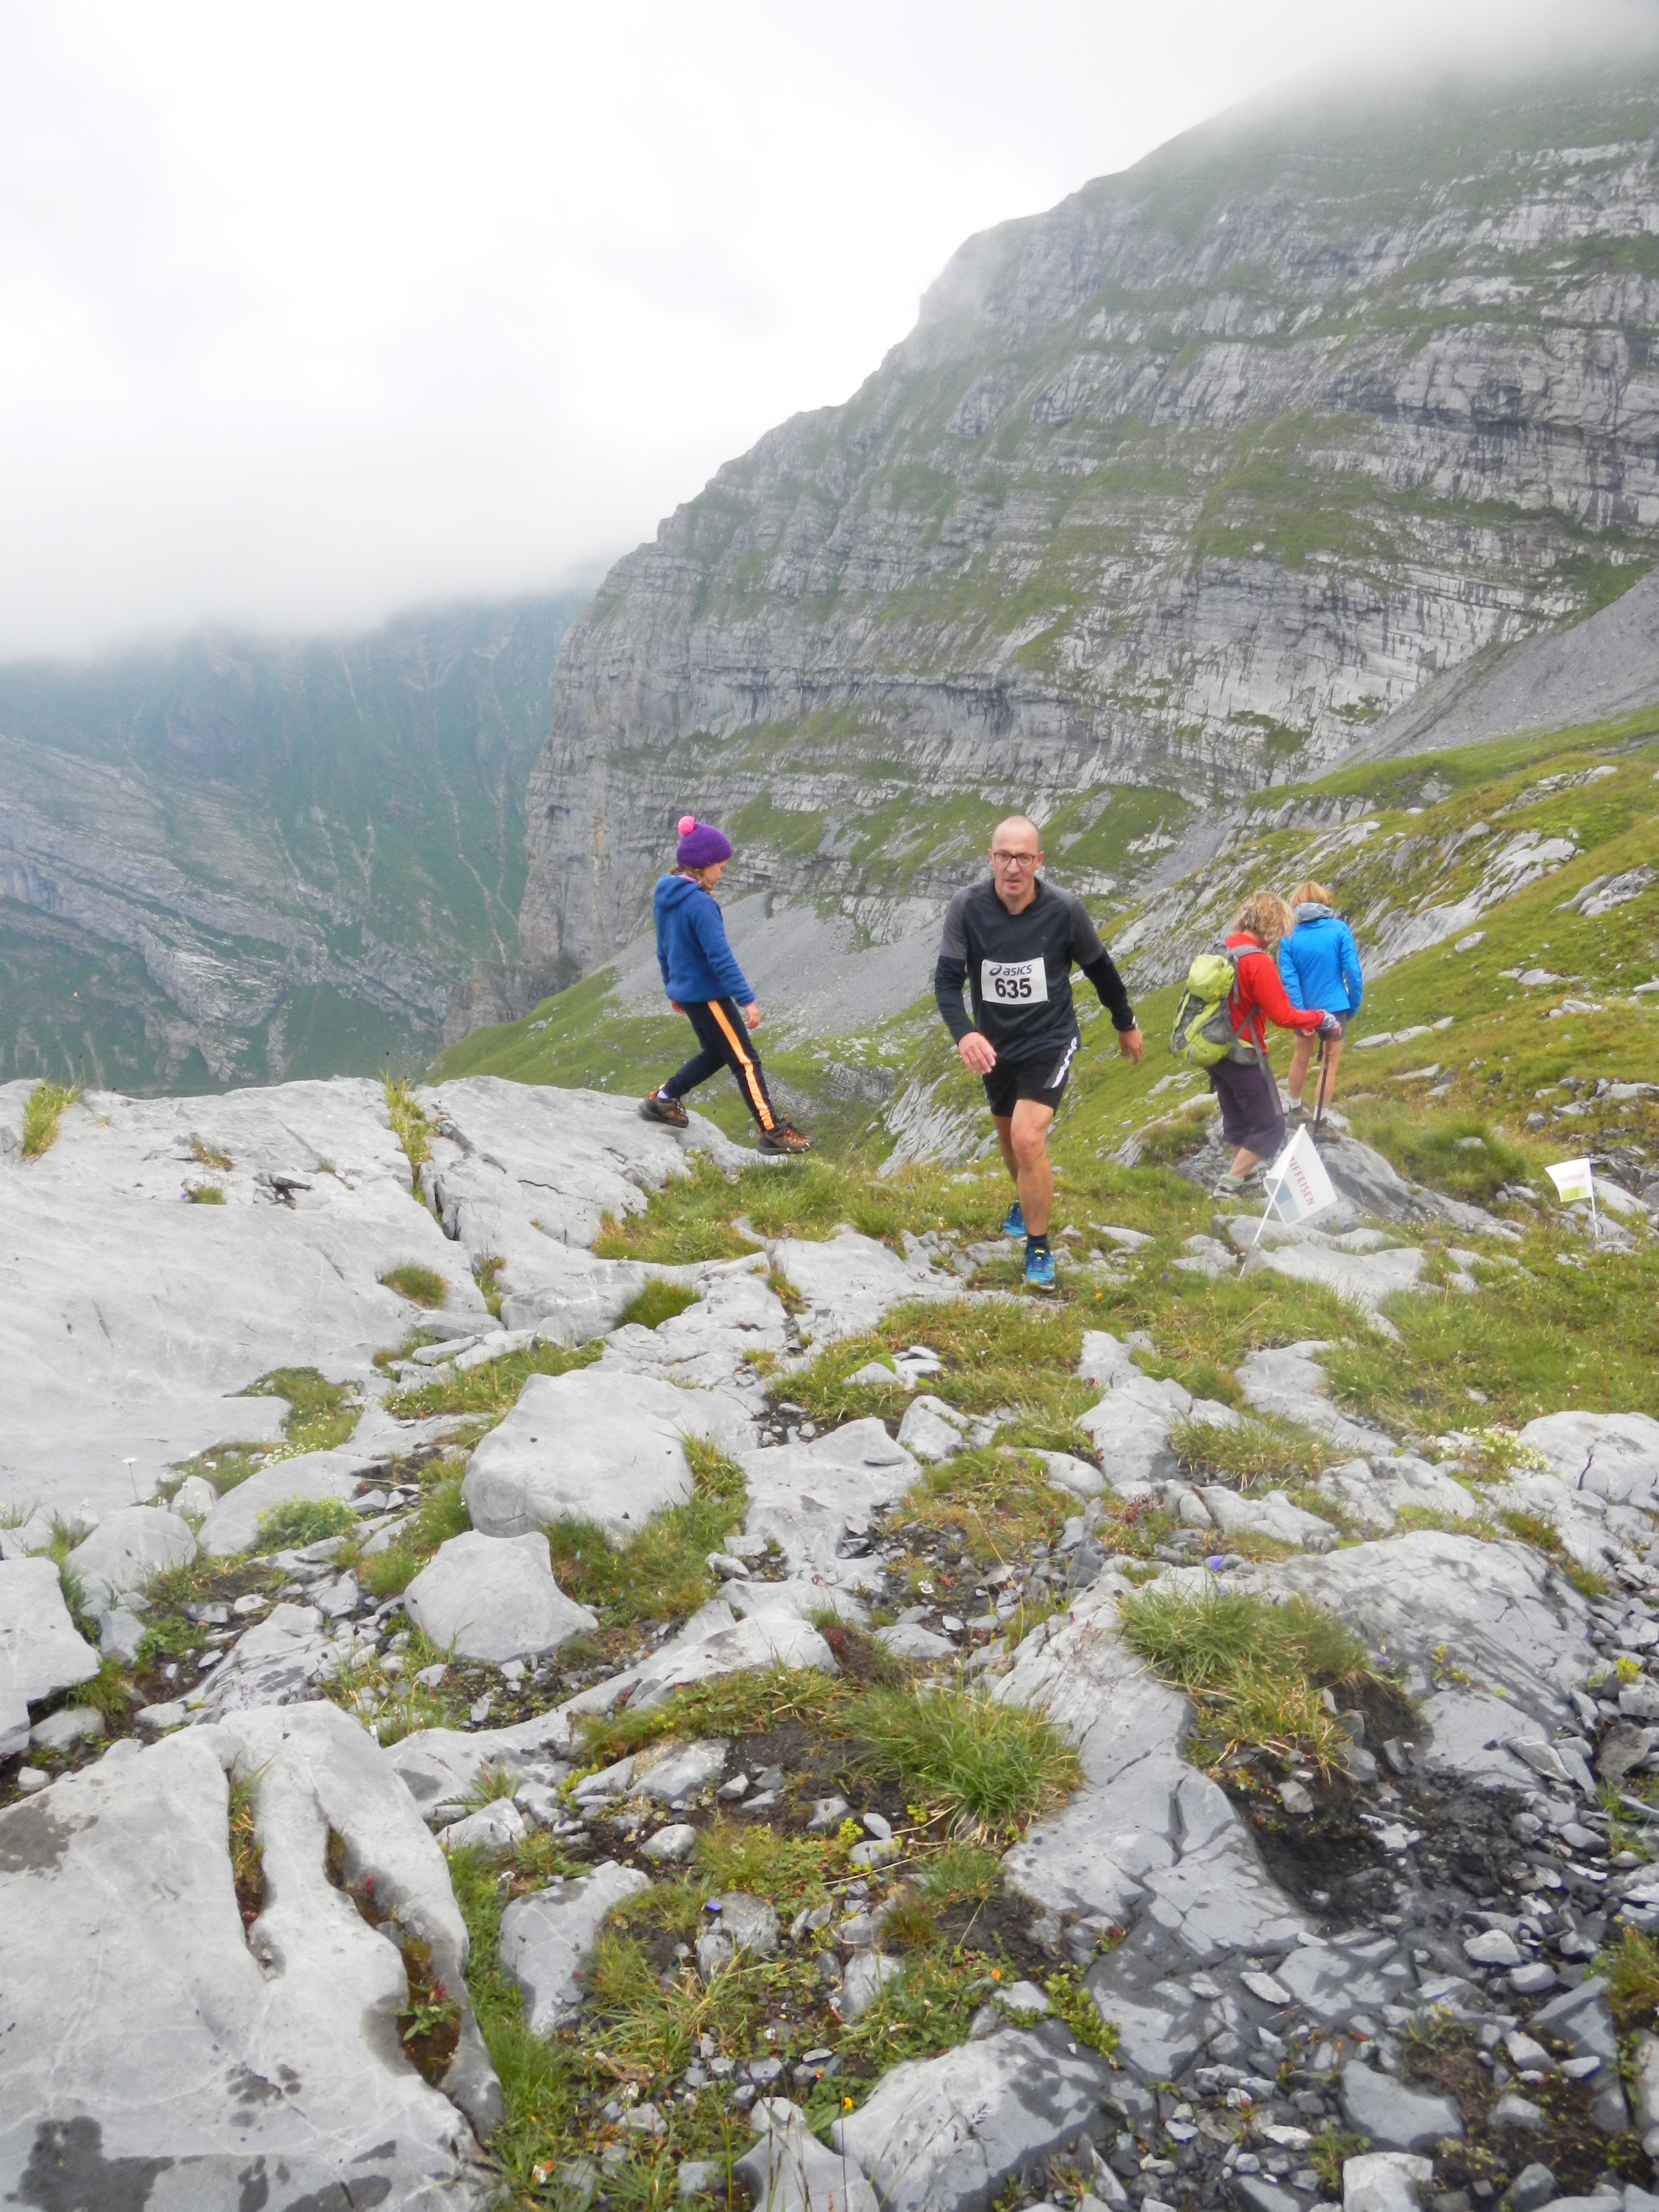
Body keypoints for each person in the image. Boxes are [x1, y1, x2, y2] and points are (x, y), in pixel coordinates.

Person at [934, 814, 1142, 1290]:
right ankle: (1025, 1198)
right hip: (995, 1046)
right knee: (1010, 1143)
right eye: (1005, 856)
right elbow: (946, 982)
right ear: (991, 859)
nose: (1014, 867)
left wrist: (1125, 1022)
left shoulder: (1064, 910)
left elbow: (1102, 971)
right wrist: (965, 1034)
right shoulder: (967, 907)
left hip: (1049, 1041)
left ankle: (1039, 1247)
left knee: (1028, 1139)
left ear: (1039, 861)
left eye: (1024, 857)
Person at [640, 816, 811, 1154]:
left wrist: (672, 988)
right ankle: (772, 1131)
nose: (722, 874)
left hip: (690, 994)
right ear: (703, 866)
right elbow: (720, 958)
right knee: (746, 1061)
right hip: (710, 996)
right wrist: (747, 1000)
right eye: (720, 867)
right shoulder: (701, 904)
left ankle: (664, 1098)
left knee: (716, 1053)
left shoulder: (666, 897)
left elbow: (663, 949)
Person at [1211, 891, 1338, 1201]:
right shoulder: (1258, 961)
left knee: (1238, 1119)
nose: (1277, 939)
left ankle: (1248, 1182)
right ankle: (1229, 1185)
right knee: (1271, 1125)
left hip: (1215, 1051)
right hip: (1244, 1053)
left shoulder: (1222, 950)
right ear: (1271, 925)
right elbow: (1283, 1015)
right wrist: (1321, 1018)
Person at [1278, 879, 1363, 1121]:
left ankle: (1295, 1109)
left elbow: (1290, 979)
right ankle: (1320, 1119)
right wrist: (1353, 1005)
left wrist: (1299, 1012)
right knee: (1329, 1064)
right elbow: (1353, 973)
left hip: (1304, 1009)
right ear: (1324, 901)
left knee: (1300, 1058)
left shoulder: (1289, 935)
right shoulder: (1339, 929)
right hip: (1336, 1006)